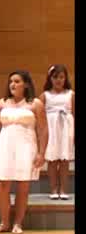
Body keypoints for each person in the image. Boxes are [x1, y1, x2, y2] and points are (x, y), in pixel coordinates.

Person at [0, 70, 48, 234]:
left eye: (17, 81)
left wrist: (41, 153)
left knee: (23, 186)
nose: (13, 85)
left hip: (26, 146)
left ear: (26, 84)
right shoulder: (2, 103)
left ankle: (18, 223)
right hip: (5, 146)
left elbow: (43, 129)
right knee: (2, 185)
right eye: (11, 82)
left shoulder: (35, 103)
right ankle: (4, 222)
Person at [39, 64, 74, 200]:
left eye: (61, 77)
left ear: (65, 78)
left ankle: (63, 189)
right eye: (55, 77)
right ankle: (53, 188)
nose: (58, 80)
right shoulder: (45, 95)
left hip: (66, 128)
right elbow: (40, 117)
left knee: (64, 160)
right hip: (51, 128)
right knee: (52, 160)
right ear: (50, 79)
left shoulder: (71, 94)